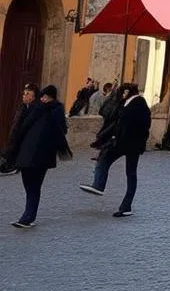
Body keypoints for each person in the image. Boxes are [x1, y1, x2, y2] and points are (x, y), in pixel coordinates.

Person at [79, 82, 151, 217]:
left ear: (127, 92)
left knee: (109, 160)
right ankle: (124, 205)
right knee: (128, 172)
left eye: (122, 92)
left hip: (127, 143)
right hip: (128, 143)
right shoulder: (130, 103)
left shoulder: (137, 103)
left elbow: (137, 124)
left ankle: (101, 187)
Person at [8, 85, 70, 228]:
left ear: (52, 97)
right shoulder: (36, 109)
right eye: (42, 96)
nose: (43, 99)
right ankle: (27, 215)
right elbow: (23, 128)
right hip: (27, 154)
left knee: (35, 186)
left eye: (46, 97)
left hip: (43, 155)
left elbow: (60, 131)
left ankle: (27, 217)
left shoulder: (56, 111)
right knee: (28, 185)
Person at [1, 84, 40, 175]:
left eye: (28, 94)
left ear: (33, 97)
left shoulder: (35, 109)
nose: (24, 95)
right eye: (24, 93)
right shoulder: (22, 106)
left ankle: (13, 165)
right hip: (16, 134)